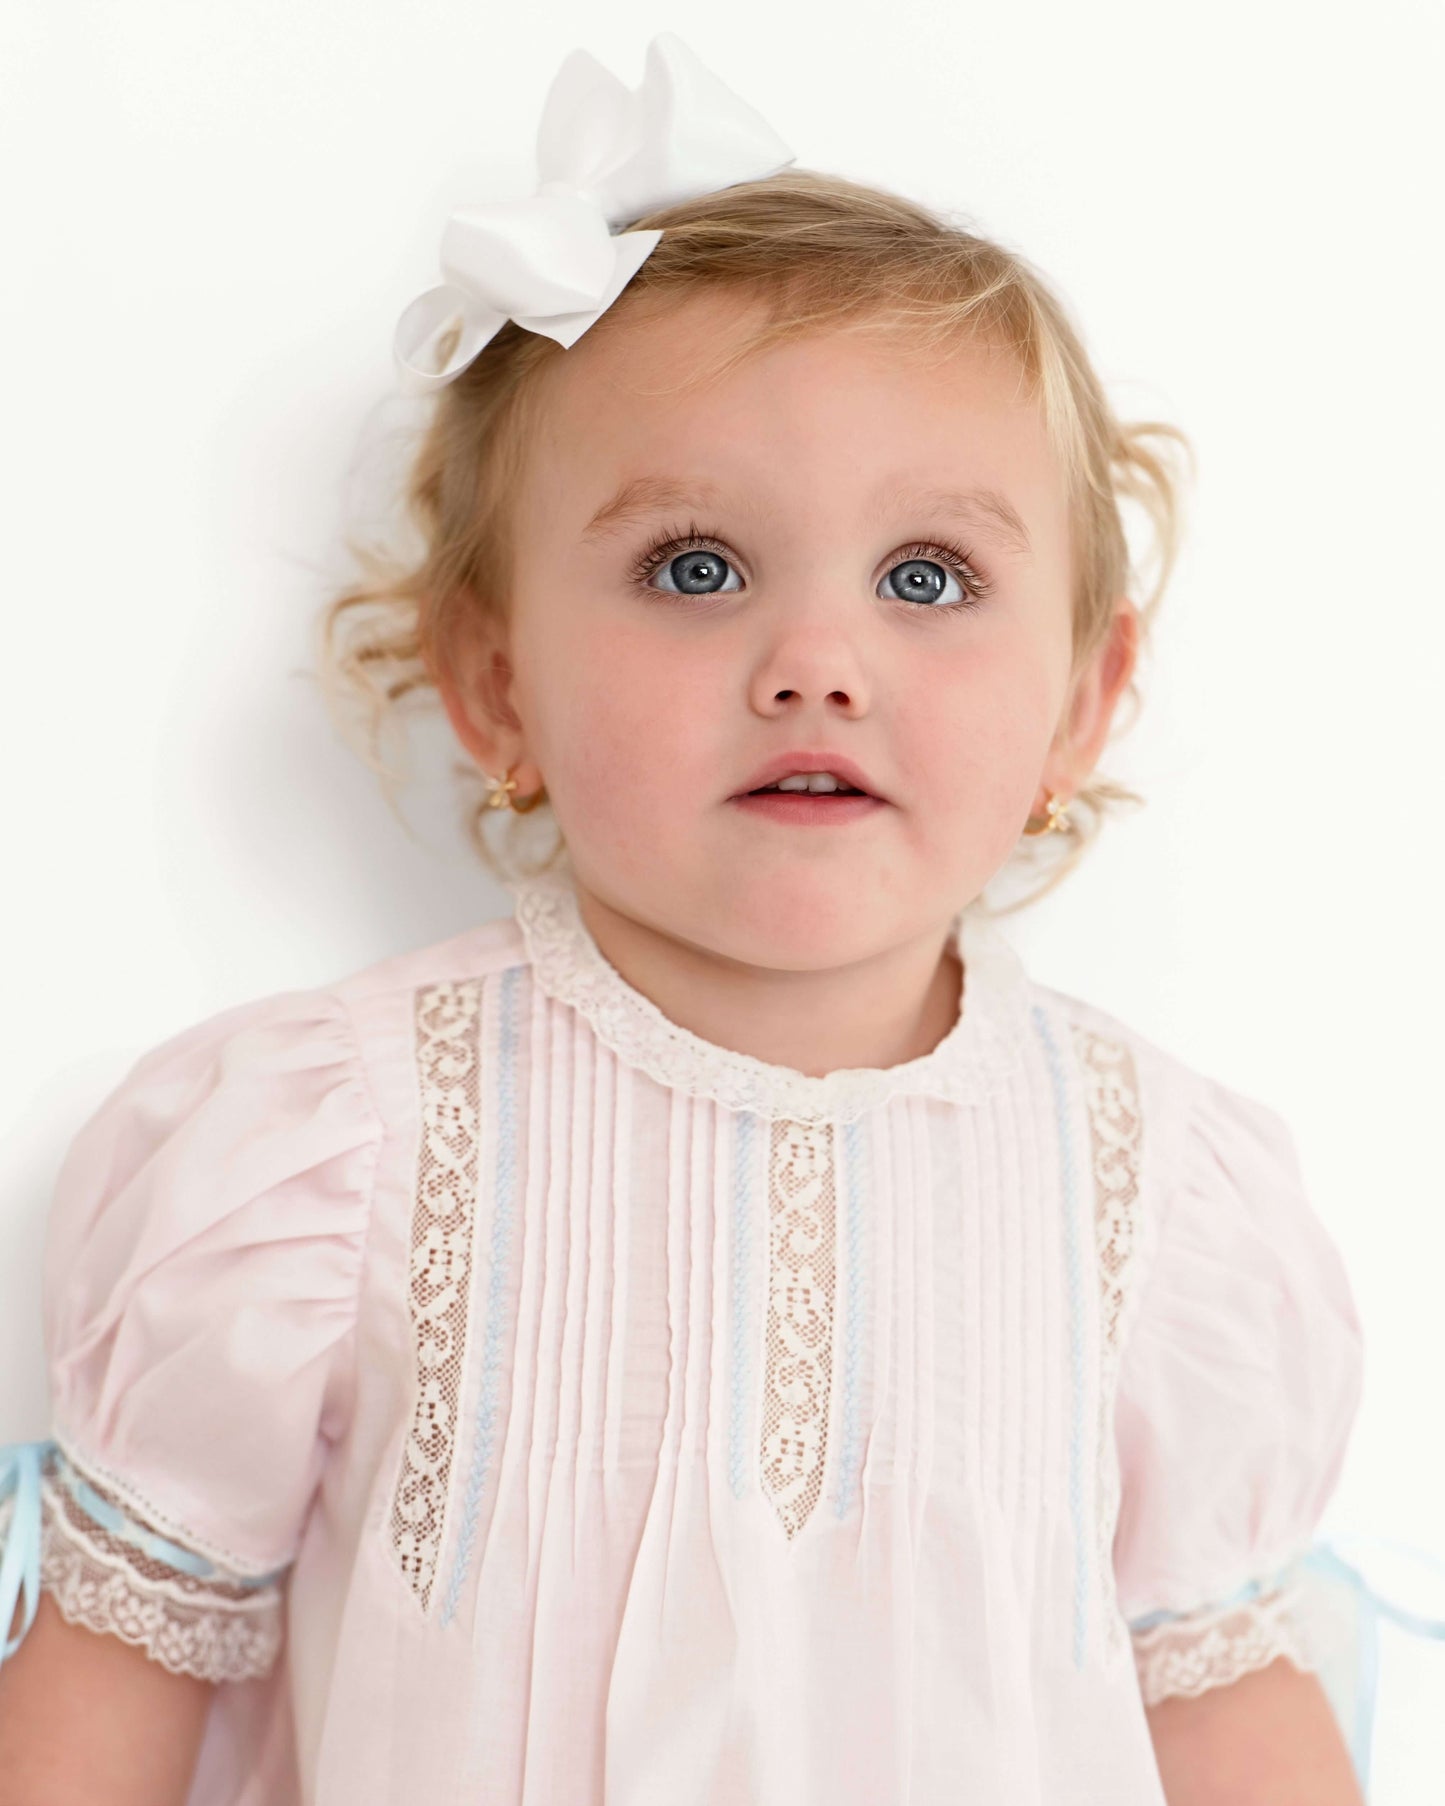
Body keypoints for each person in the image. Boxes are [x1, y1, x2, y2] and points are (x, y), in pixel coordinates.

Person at [0, 30, 1383, 1806]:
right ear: (495, 686)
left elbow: (1225, 1711)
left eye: (926, 579)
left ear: (1079, 702)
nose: (815, 665)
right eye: (695, 569)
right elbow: (108, 1691)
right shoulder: (328, 1151)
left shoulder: (1159, 1202)